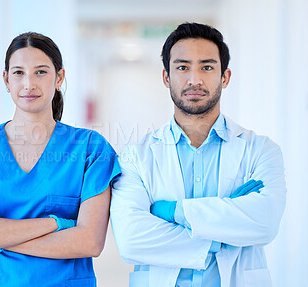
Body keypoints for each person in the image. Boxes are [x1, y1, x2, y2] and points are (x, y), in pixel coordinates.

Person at [0, 32, 121, 287]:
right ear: (6, 79)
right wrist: (56, 224)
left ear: (59, 78)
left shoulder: (91, 149)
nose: (29, 83)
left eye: (41, 72)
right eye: (18, 72)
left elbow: (90, 242)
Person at [110, 22, 286, 287]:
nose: (195, 79)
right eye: (182, 67)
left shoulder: (261, 150)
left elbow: (265, 223)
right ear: (166, 77)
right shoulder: (135, 157)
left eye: (207, 67)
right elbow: (132, 240)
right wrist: (224, 229)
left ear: (225, 77)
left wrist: (173, 212)